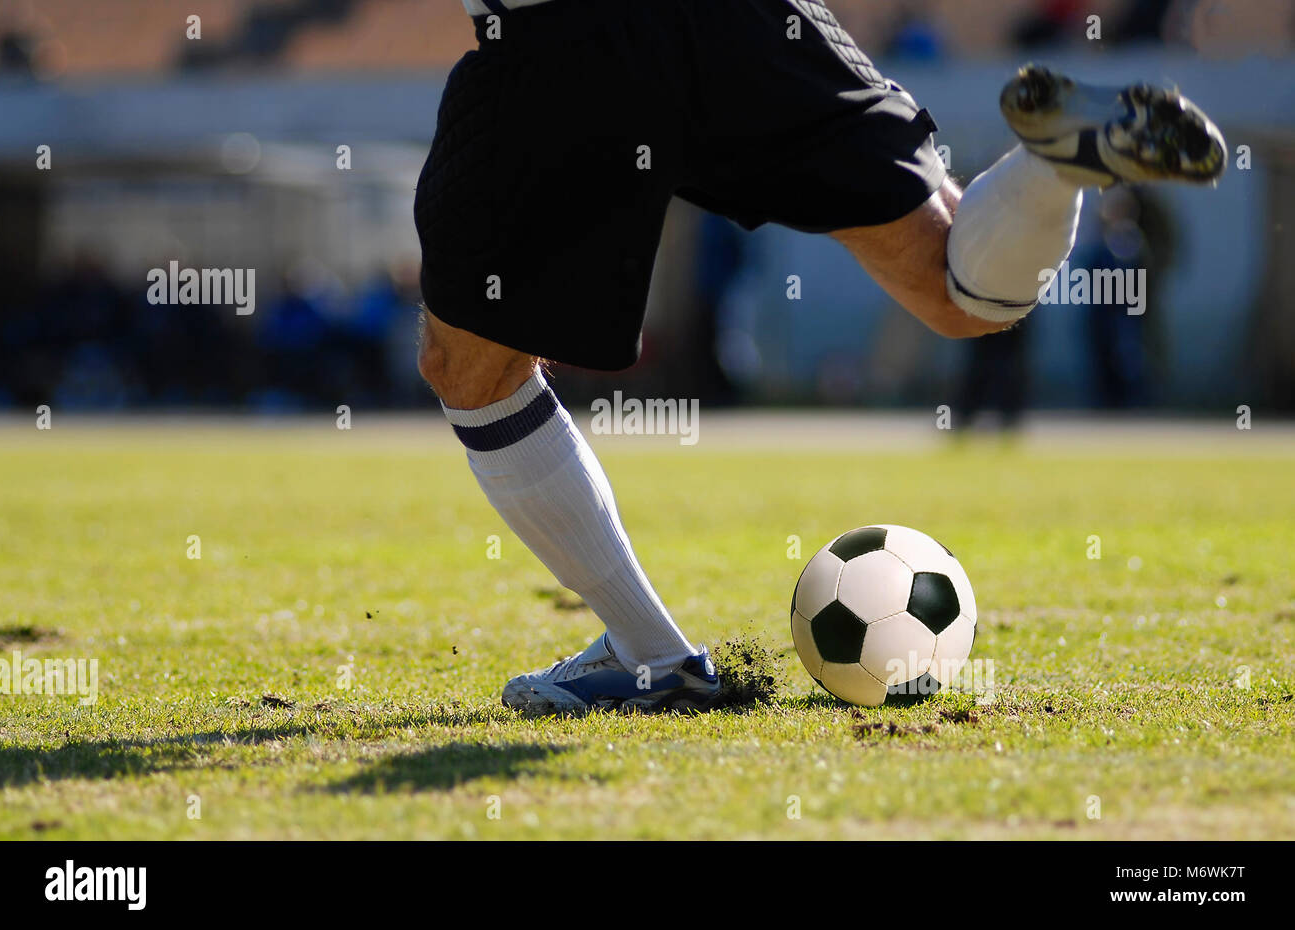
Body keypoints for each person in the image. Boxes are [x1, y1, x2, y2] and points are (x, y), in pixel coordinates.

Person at [414, 0, 1225, 715]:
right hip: (747, 20)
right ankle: (1055, 166)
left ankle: (653, 659)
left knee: (474, 371)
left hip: (566, 29)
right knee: (955, 289)